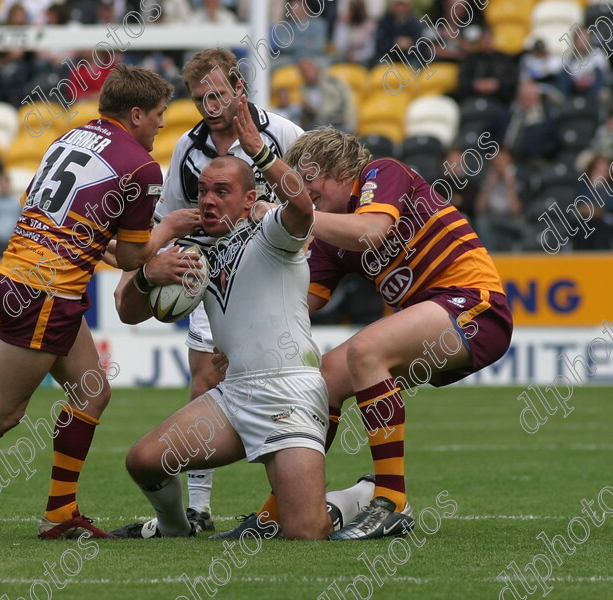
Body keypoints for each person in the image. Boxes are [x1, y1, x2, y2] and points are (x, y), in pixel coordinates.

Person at [0, 64, 199, 543]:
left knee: (92, 392)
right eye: (160, 114)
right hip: (44, 291)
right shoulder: (141, 166)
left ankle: (60, 513)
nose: (164, 124)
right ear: (136, 113)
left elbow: (59, 219)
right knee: (2, 411)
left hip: (30, 279)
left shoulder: (74, 138)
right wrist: (171, 229)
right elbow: (132, 255)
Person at [215, 126, 513, 540]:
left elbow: (372, 230)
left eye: (306, 180)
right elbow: (297, 303)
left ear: (339, 169)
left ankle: (392, 500)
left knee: (366, 350)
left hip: (476, 307)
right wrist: (237, 334)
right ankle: (279, 509)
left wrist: (304, 216)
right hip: (436, 319)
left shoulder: (381, 172)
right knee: (321, 381)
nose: (299, 192)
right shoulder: (328, 237)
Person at [110, 99, 334, 540]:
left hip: (289, 390)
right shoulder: (197, 254)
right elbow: (127, 311)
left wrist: (260, 151)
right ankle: (175, 528)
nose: (208, 200)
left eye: (221, 191)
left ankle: (360, 497)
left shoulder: (270, 232)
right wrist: (146, 275)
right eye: (202, 192)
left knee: (306, 533)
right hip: (234, 397)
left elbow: (304, 209)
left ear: (250, 198)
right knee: (143, 460)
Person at [153, 48, 304, 532]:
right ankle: (197, 508)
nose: (210, 106)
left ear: (239, 87)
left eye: (218, 94)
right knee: (204, 380)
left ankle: (281, 504)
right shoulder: (185, 148)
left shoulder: (280, 132)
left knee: (269, 380)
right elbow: (173, 217)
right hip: (208, 270)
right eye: (200, 98)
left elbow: (310, 198)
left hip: (268, 268)